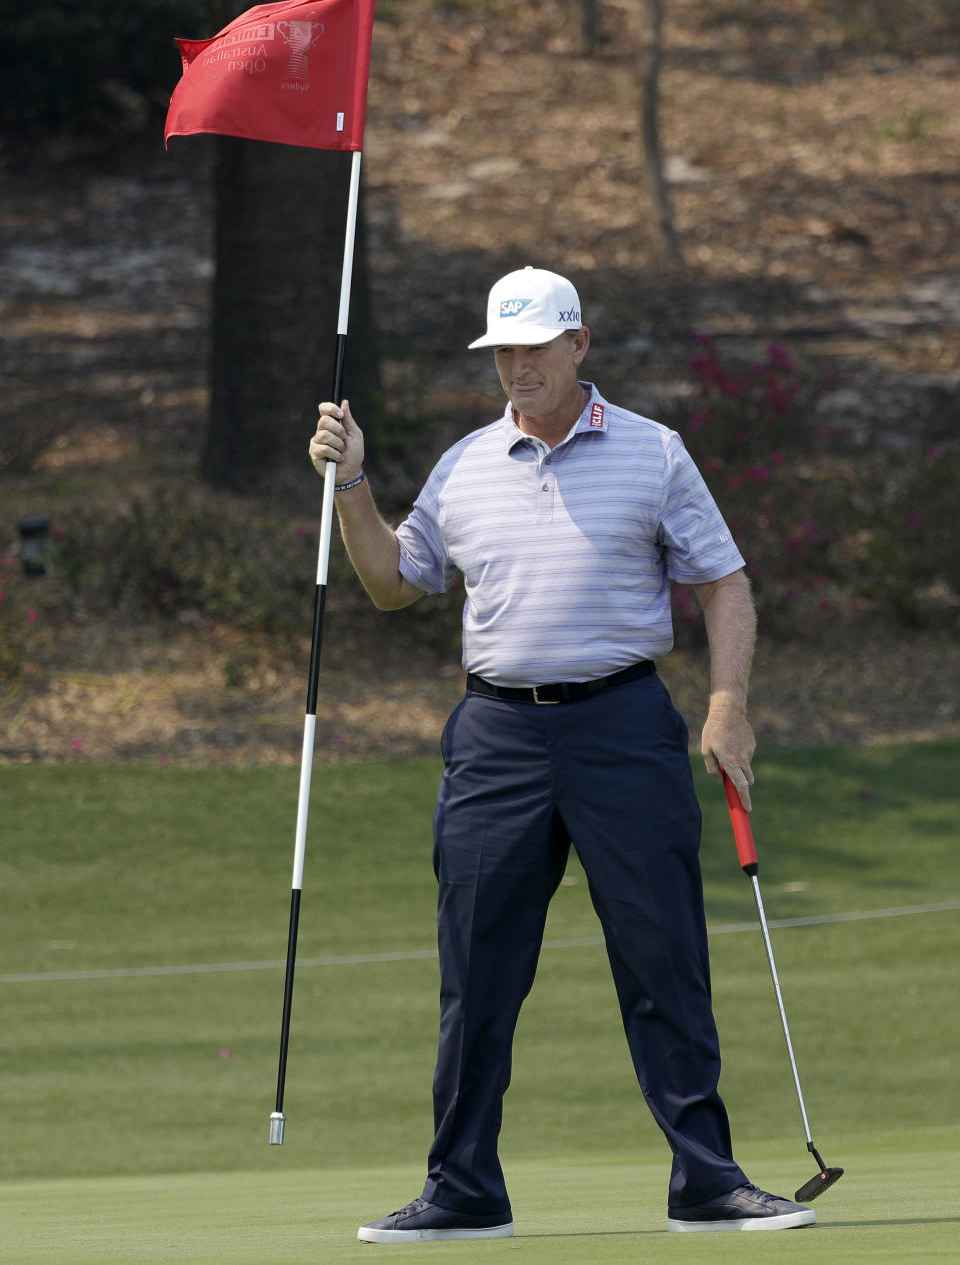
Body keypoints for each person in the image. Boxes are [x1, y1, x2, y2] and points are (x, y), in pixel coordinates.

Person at [309, 267, 817, 1240]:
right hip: (496, 738)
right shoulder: (464, 464)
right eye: (503, 350)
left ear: (579, 345)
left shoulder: (653, 454)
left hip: (622, 725)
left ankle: (706, 1182)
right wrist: (354, 481)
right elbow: (390, 581)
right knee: (479, 968)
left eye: (535, 347)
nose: (517, 366)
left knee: (662, 955)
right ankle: (463, 1188)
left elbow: (726, 584)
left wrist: (727, 704)